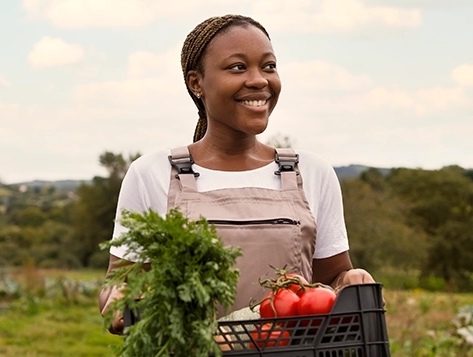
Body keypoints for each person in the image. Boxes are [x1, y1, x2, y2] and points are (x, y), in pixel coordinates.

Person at [98, 14, 376, 335]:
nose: (259, 79)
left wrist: (351, 280)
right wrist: (118, 297)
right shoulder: (153, 173)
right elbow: (117, 283)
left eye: (268, 66)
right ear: (196, 83)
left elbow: (332, 278)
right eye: (237, 67)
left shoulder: (311, 172)